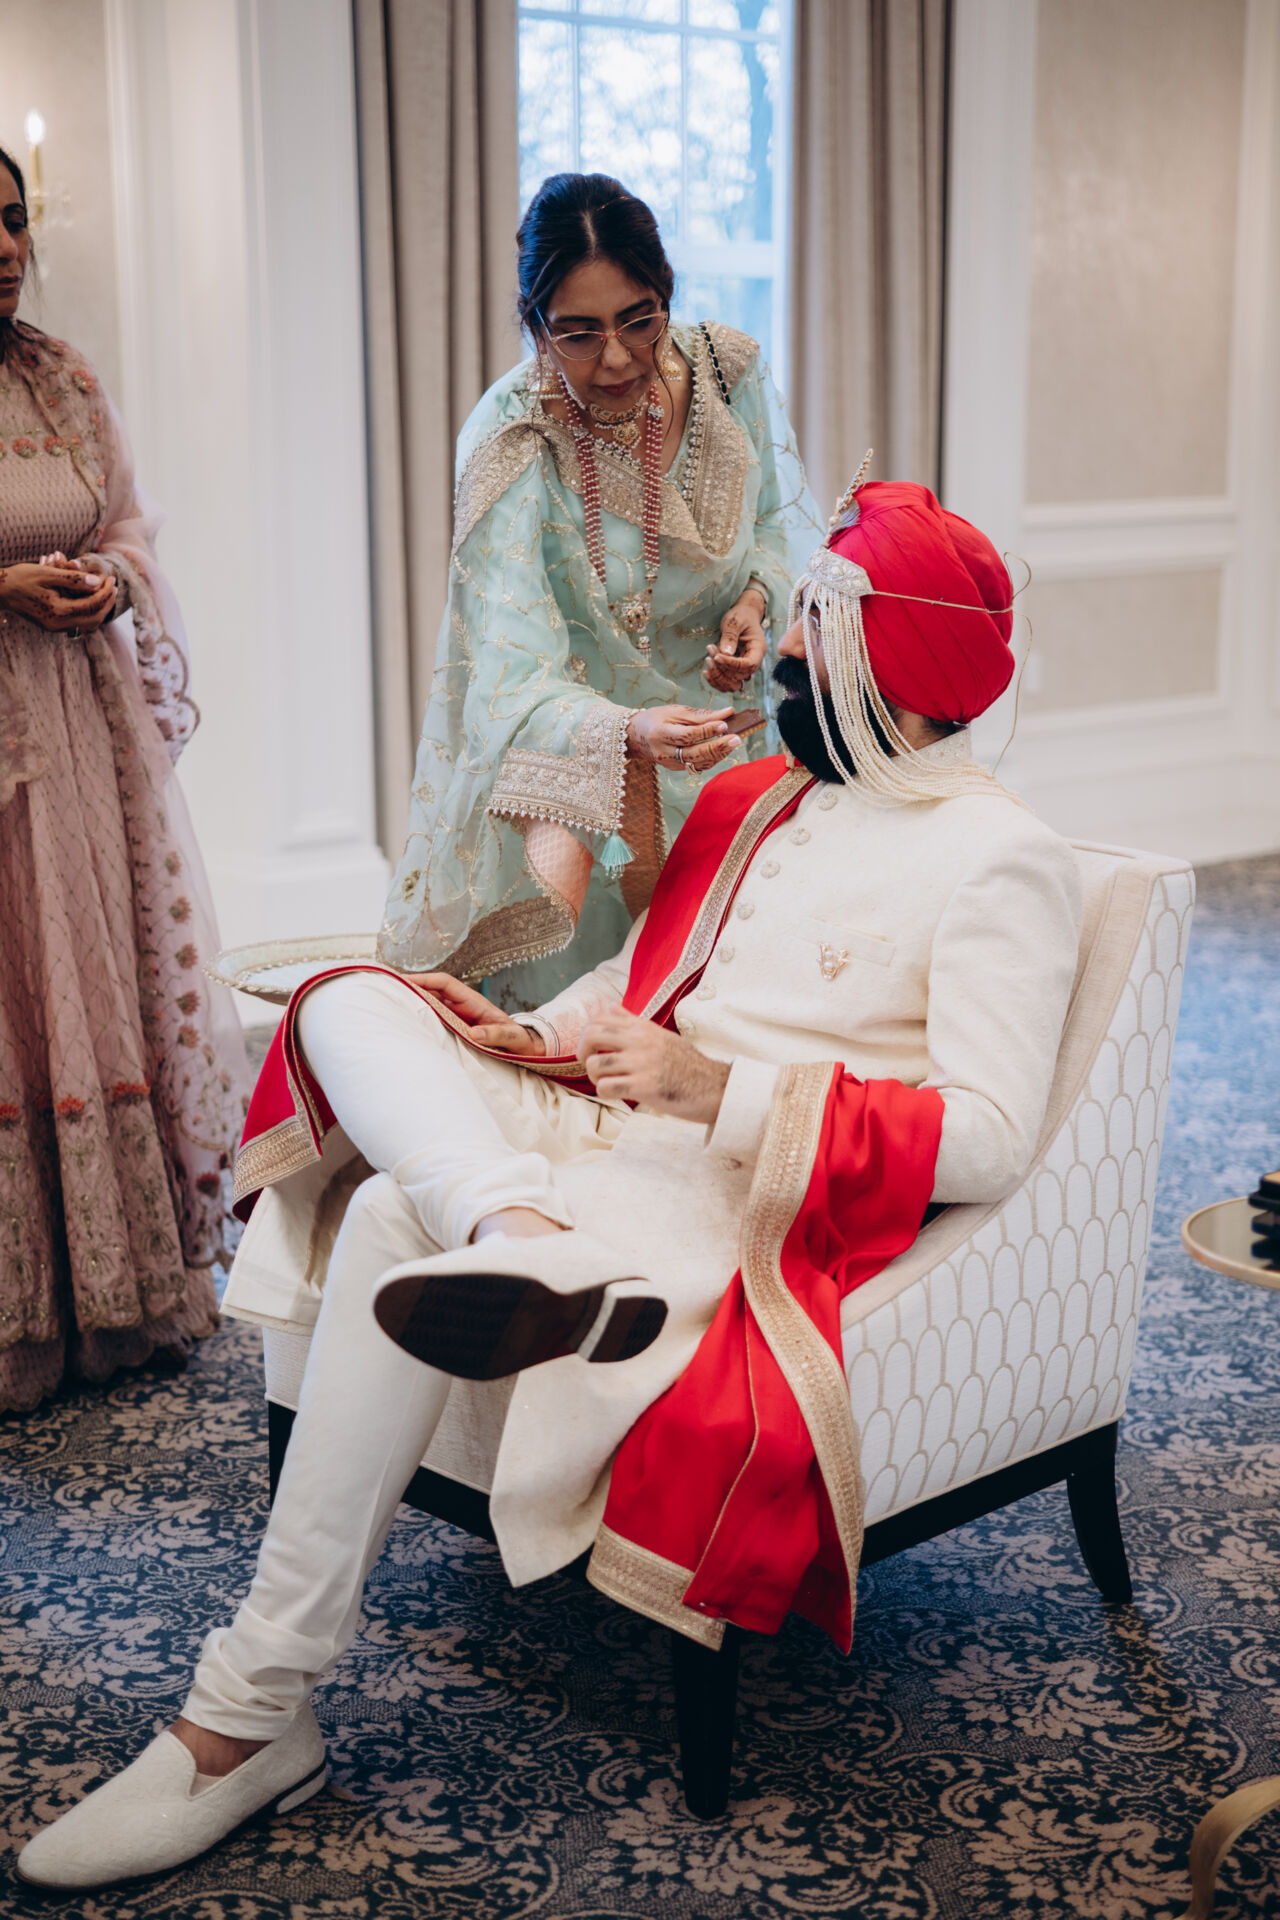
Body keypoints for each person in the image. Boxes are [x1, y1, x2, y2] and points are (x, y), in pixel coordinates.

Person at [16, 476, 1084, 1889]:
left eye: (814, 628)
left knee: (391, 1214)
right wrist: (534, 1032)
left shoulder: (1002, 855)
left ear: (897, 657)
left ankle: (246, 1715)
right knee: (349, 1002)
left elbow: (993, 1135)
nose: (778, 650)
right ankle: (512, 1225)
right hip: (599, 1124)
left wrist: (718, 1091)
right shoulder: (765, 800)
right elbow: (644, 981)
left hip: (737, 1185)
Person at [378, 171, 821, 1009]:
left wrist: (757, 600)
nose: (615, 357)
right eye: (577, 333)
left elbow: (773, 521)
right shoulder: (511, 437)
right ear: (533, 320)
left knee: (723, 1027)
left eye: (638, 320)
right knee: (580, 1042)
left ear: (666, 293)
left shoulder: (729, 375)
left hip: (731, 763)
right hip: (587, 802)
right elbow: (507, 675)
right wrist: (630, 730)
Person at [0, 145, 250, 1411]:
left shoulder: (61, 375)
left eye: (12, 220)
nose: (4, 247)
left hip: (80, 732)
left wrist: (110, 576)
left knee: (89, 983)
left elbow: (124, 518)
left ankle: (118, 1293)